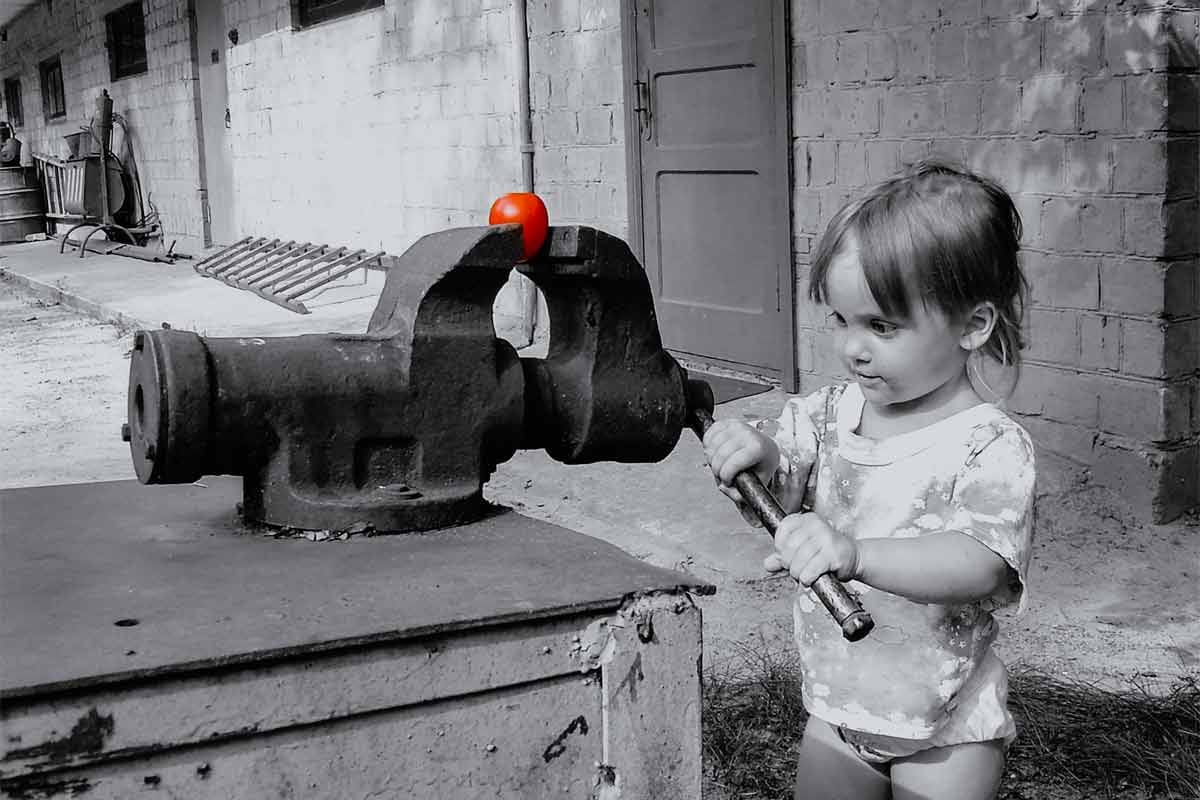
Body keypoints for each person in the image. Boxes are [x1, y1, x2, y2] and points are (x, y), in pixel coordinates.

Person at [703, 161, 1036, 800]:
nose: (852, 348)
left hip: (946, 728)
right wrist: (758, 456)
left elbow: (980, 564)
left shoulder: (988, 445)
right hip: (838, 708)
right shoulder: (827, 414)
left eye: (881, 327)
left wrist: (855, 555)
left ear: (973, 325)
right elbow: (784, 491)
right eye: (840, 321)